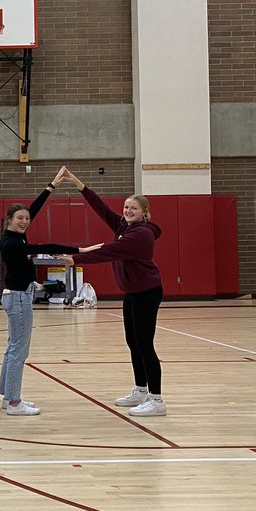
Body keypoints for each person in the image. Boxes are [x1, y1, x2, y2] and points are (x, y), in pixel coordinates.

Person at [56, 169, 167, 417]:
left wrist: (75, 258)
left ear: (145, 213)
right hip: (132, 292)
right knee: (133, 342)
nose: (127, 211)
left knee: (145, 345)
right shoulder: (124, 226)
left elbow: (109, 251)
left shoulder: (140, 234)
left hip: (147, 292)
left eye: (133, 209)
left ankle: (157, 399)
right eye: (126, 207)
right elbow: (102, 209)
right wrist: (77, 183)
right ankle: (141, 390)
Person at [0, 167, 84, 416]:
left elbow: (33, 209)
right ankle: (14, 403)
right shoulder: (12, 243)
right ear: (10, 219)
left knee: (13, 347)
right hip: (18, 297)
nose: (25, 221)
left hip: (16, 295)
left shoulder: (16, 234)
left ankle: (7, 397)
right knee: (18, 350)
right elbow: (46, 245)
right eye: (20, 218)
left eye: (27, 218)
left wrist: (52, 185)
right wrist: (80, 249)